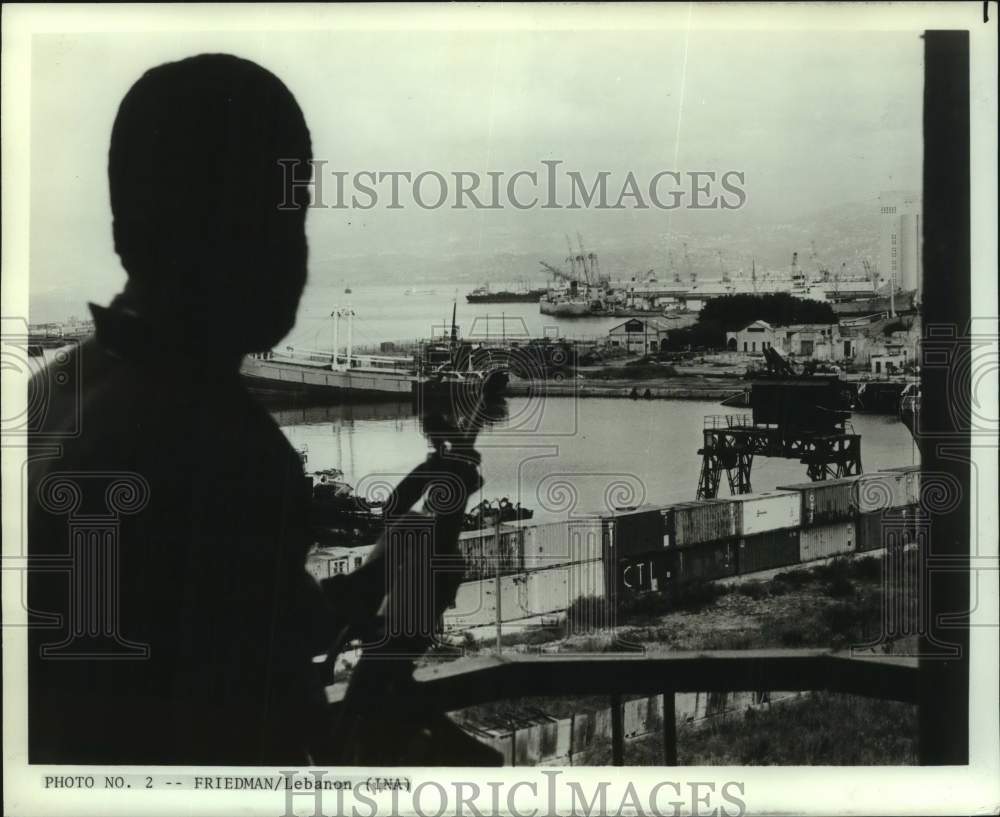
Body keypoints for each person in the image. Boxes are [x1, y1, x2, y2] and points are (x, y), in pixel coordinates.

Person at [27, 54, 329, 765]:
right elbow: (263, 749)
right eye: (282, 214)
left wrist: (378, 580)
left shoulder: (50, 397)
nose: (297, 249)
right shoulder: (222, 452)